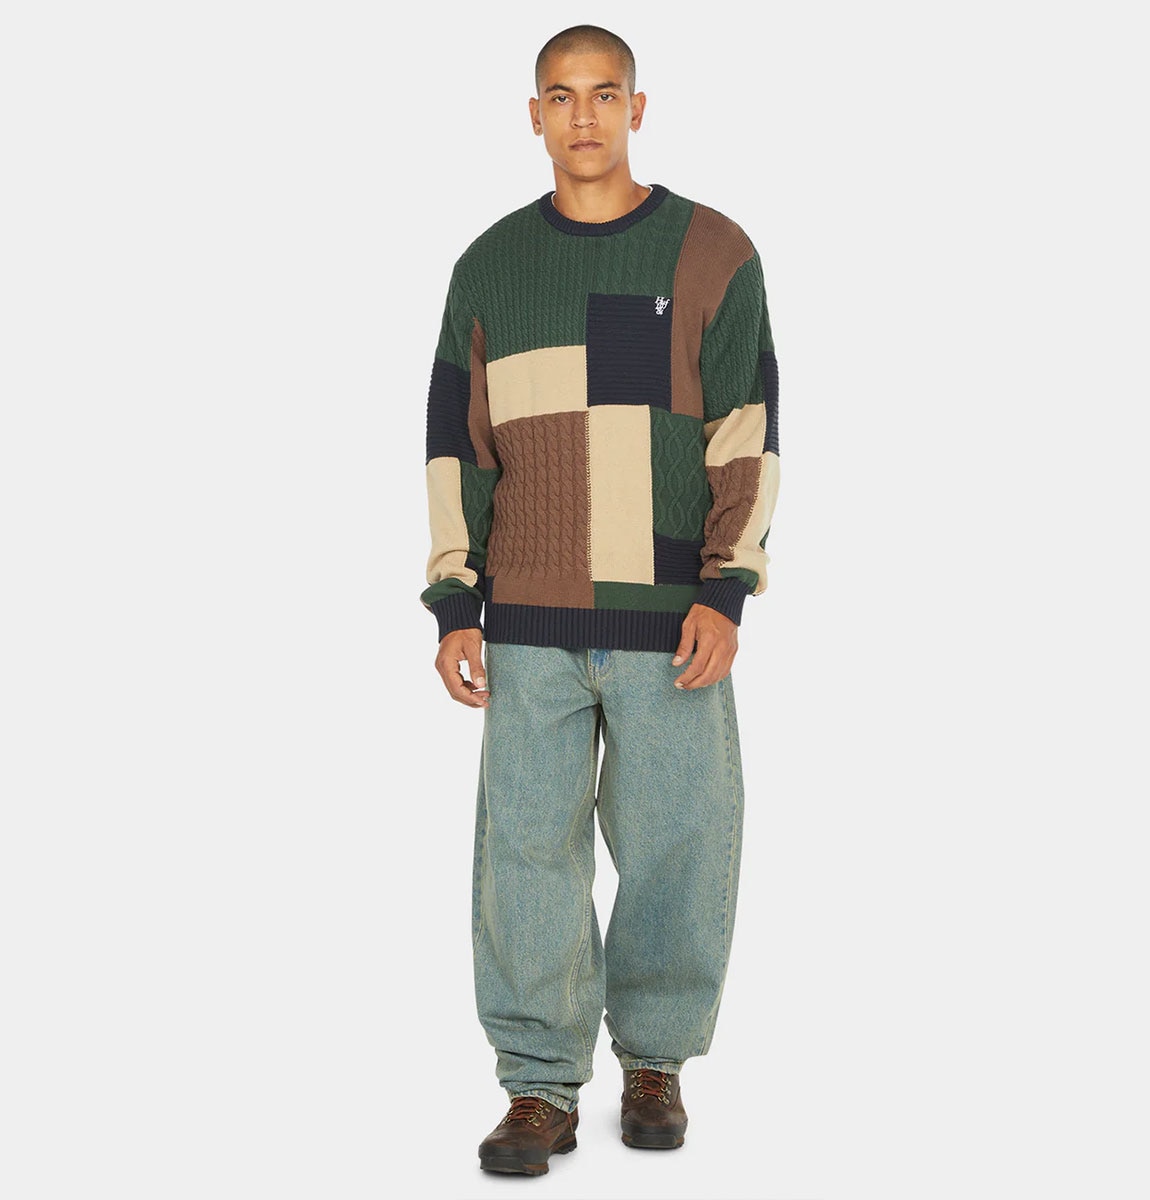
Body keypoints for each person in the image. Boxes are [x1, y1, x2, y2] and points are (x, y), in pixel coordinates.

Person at [419, 23, 780, 1177]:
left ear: (638, 107)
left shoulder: (711, 253)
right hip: (526, 622)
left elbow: (747, 434)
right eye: (562, 95)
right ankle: (539, 1087)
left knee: (680, 842)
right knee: (525, 855)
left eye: (605, 93)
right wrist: (455, 599)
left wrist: (726, 587)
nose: (584, 115)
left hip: (671, 621)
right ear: (534, 115)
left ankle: (655, 1062)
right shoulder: (489, 267)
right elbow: (457, 445)